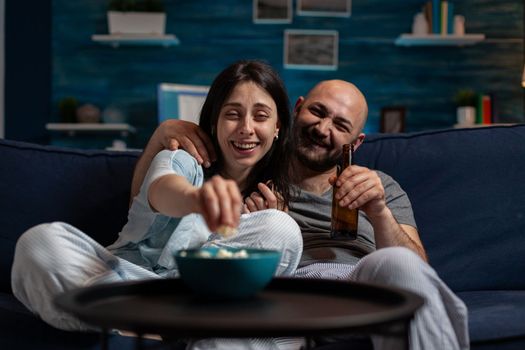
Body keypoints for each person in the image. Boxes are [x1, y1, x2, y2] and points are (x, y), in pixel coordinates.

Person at [135, 79, 469, 350]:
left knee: (402, 263)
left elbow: (420, 273)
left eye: (340, 124)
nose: (323, 128)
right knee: (230, 333)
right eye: (317, 112)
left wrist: (378, 211)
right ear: (296, 110)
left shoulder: (380, 185)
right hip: (285, 292)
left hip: (361, 284)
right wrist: (161, 134)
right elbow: (145, 207)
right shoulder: (254, 167)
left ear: (358, 140)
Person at [11, 60, 303, 333]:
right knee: (39, 241)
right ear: (214, 122)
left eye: (261, 116)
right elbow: (163, 188)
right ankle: (168, 327)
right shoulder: (183, 159)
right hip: (126, 282)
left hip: (197, 298)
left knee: (281, 228)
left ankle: (146, 326)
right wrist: (198, 199)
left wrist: (261, 223)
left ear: (277, 128)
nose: (246, 128)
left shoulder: (270, 201)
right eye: (232, 114)